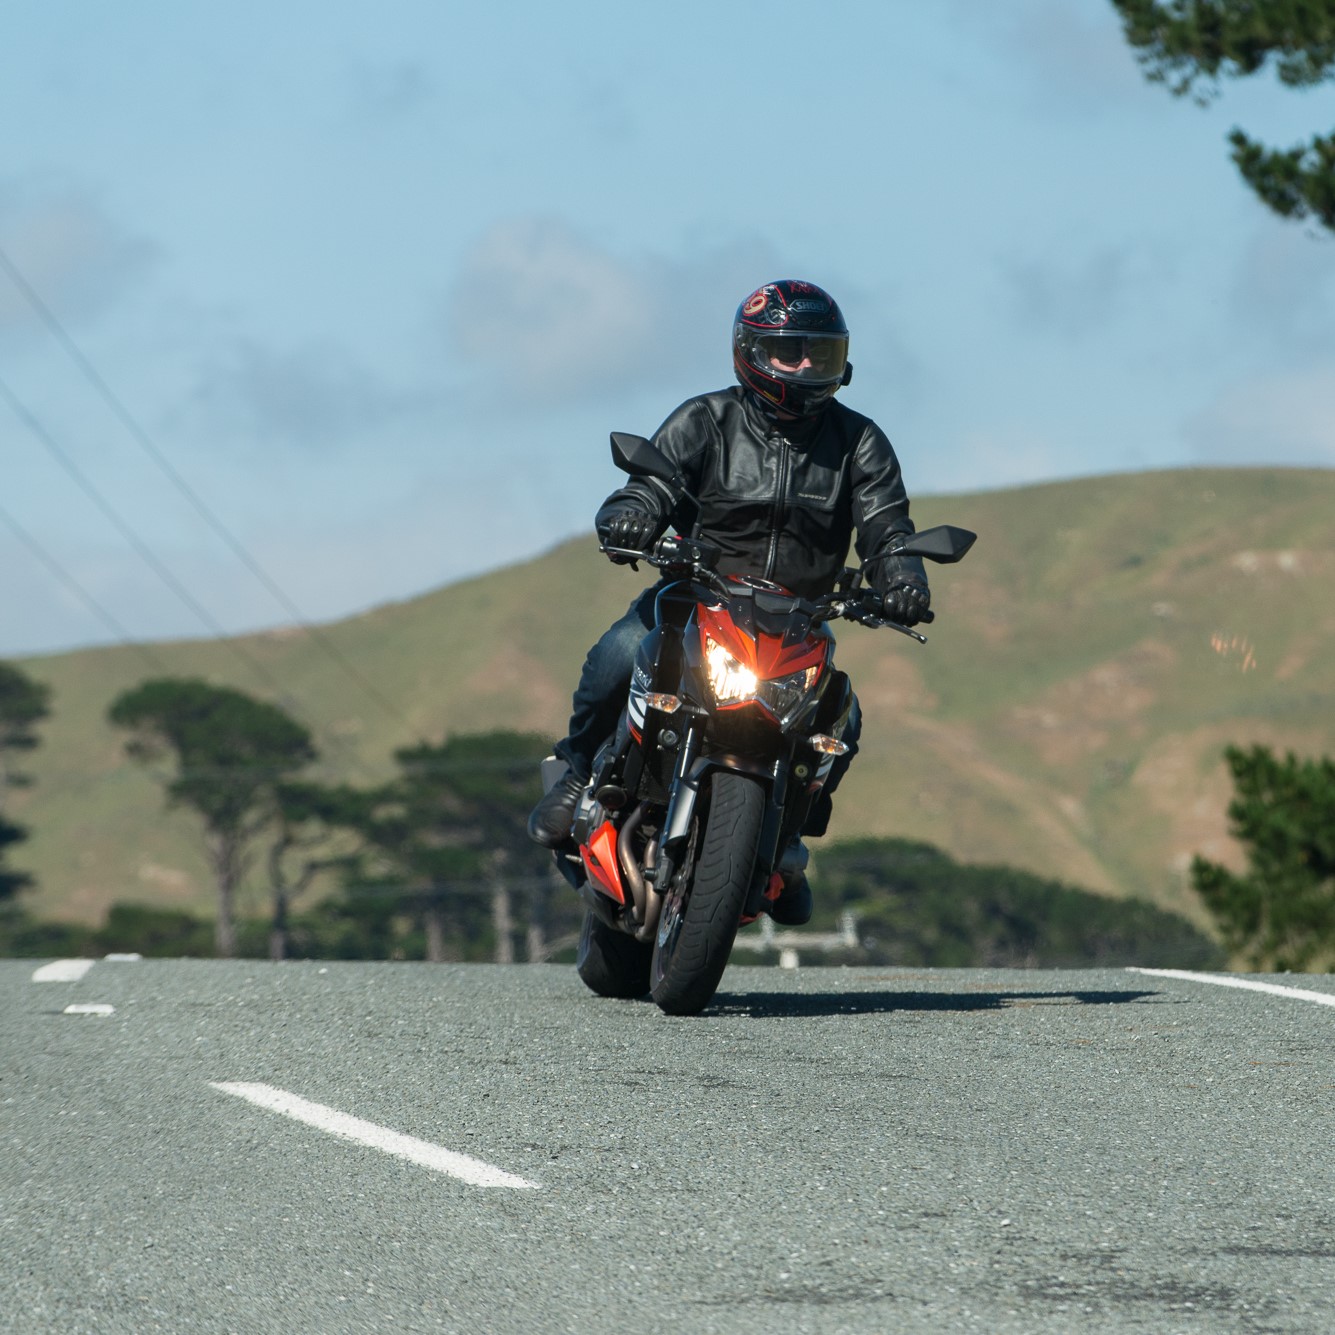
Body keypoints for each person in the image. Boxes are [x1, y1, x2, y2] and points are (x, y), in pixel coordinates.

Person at [527, 279, 930, 923]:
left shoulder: (860, 442)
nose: (806, 365)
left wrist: (903, 579)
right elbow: (649, 484)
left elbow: (888, 528)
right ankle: (578, 772)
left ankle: (787, 841)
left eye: (820, 352)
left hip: (796, 620)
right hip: (696, 598)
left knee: (842, 719)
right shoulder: (705, 420)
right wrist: (632, 515)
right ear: (753, 352)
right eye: (791, 351)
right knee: (621, 650)